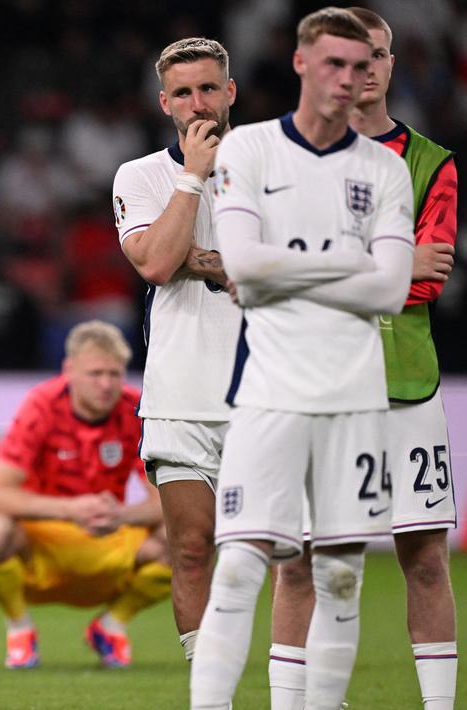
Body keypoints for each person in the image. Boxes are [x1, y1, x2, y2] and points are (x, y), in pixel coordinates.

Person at [189, 8, 415, 709]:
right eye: (334, 64)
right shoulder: (249, 150)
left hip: (355, 397)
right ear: (300, 63)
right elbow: (244, 270)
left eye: (360, 65)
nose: (348, 79)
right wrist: (343, 263)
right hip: (269, 394)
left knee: (341, 576)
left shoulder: (384, 171)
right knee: (236, 571)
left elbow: (391, 288)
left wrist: (289, 267)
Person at [267, 8, 459, 710]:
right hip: (316, 386)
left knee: (425, 558)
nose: (363, 70)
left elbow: (429, 279)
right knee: (302, 561)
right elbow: (270, 270)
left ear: (389, 64)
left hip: (406, 384)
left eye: (376, 56)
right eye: (349, 58)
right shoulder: (285, 159)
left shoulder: (430, 162)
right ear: (320, 67)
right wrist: (383, 264)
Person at [112, 37, 237, 669]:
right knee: (191, 548)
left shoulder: (275, 169)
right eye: (183, 92)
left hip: (266, 391)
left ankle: (307, 687)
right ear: (165, 102)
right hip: (181, 393)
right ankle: (209, 685)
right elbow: (158, 263)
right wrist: (192, 176)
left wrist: (199, 259)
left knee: (292, 551)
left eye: (208, 88)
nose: (197, 103)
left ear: (230, 91)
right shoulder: (140, 176)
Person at [0, 321, 172, 671]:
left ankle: (112, 625)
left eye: (114, 374)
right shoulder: (42, 406)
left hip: (109, 538)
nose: (106, 384)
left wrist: (120, 515)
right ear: (69, 370)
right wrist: (70, 509)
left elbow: (168, 501)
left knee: (188, 535)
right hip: (42, 545)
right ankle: (19, 628)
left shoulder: (137, 410)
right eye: (95, 374)